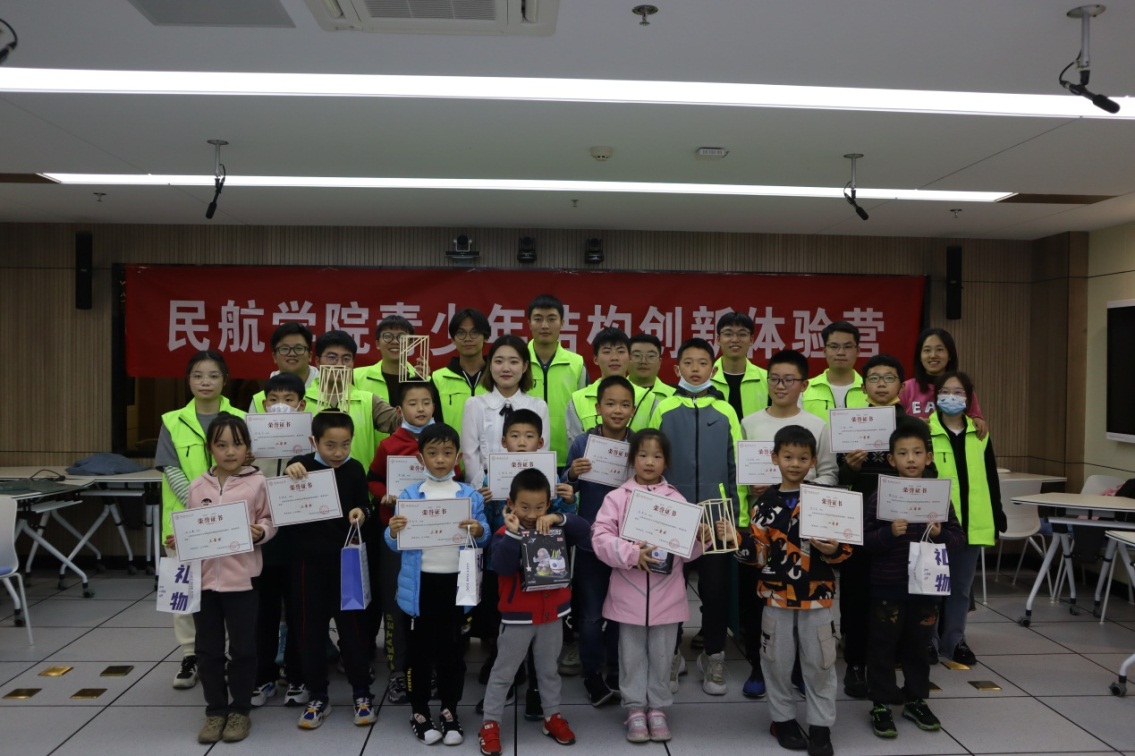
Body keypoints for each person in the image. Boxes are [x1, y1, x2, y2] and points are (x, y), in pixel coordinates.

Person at [723, 425, 848, 756]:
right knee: (776, 661)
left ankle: (821, 726)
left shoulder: (825, 500)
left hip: (817, 596)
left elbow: (845, 549)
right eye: (788, 457)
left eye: (803, 458)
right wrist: (735, 540)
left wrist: (834, 548)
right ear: (775, 458)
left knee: (821, 663)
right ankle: (783, 720)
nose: (795, 464)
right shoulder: (764, 503)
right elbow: (758, 554)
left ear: (813, 461)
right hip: (776, 596)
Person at [591, 429, 712, 743]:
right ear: (632, 459)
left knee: (661, 656)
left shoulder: (677, 500)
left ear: (666, 462)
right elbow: (600, 538)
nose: (649, 462)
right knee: (630, 656)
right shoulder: (617, 498)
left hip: (667, 596)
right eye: (643, 455)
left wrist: (702, 539)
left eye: (657, 456)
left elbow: (686, 552)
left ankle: (657, 708)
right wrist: (632, 554)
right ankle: (634, 708)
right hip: (627, 595)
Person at [167, 413, 275, 744]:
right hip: (204, 583)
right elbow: (191, 526)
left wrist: (261, 532)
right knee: (208, 650)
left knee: (243, 648)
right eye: (222, 445)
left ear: (248, 447)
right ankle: (215, 711)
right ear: (210, 448)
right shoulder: (198, 485)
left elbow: (270, 520)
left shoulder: (258, 483)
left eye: (237, 444)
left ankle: (240, 709)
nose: (230, 452)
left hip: (242, 581)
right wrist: (179, 539)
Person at [738, 349, 838, 698]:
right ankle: (758, 666)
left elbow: (829, 474)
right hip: (764, 529)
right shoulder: (750, 422)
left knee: (803, 605)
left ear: (804, 385)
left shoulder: (818, 425)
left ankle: (799, 670)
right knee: (760, 601)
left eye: (788, 380)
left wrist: (794, 487)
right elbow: (739, 474)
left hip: (805, 528)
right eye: (774, 379)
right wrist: (754, 488)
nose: (780, 386)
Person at [648, 338, 744, 697]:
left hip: (717, 516)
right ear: (676, 369)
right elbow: (651, 461)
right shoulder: (664, 408)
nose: (695, 369)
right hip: (672, 514)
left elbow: (736, 466)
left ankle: (713, 654)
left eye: (702, 363)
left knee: (715, 590)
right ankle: (672, 655)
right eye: (688, 363)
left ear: (713, 369)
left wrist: (735, 518)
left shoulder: (726, 411)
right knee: (670, 588)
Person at [385, 423, 489, 745]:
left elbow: (484, 533)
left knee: (452, 653)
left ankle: (449, 709)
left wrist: (478, 530)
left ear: (457, 457)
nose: (440, 460)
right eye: (432, 453)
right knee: (418, 653)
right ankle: (419, 711)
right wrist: (392, 531)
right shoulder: (410, 495)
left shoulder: (469, 495)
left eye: (447, 453)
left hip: (456, 587)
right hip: (420, 589)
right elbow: (394, 543)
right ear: (420, 458)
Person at [478, 467, 588, 756]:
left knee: (548, 671)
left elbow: (584, 531)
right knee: (504, 672)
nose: (531, 513)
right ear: (510, 504)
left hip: (552, 615)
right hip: (518, 617)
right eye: (524, 506)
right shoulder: (504, 534)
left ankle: (552, 716)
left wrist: (558, 518)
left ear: (548, 504)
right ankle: (490, 723)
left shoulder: (554, 528)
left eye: (539, 507)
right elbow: (502, 567)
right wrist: (514, 535)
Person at [864, 424, 964, 740]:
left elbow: (958, 540)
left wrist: (941, 534)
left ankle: (916, 699)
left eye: (917, 452)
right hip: (887, 586)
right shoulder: (881, 497)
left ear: (928, 458)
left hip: (926, 587)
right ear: (891, 459)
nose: (911, 459)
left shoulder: (939, 497)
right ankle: (881, 703)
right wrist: (888, 533)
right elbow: (864, 542)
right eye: (903, 453)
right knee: (882, 646)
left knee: (919, 646)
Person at [472, 408, 574, 719]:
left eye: (529, 436)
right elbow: (488, 526)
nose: (521, 442)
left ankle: (536, 693)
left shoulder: (550, 476)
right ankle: (507, 681)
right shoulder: (491, 475)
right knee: (503, 626)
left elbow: (562, 518)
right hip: (504, 565)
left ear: (540, 443)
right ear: (504, 442)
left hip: (542, 565)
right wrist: (483, 503)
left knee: (541, 636)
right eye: (514, 436)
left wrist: (569, 501)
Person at [156, 350, 245, 690]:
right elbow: (171, 469)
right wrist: (202, 505)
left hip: (231, 521)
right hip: (183, 524)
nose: (205, 382)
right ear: (188, 380)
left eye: (212, 375)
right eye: (197, 376)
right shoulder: (172, 421)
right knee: (184, 592)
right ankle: (190, 654)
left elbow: (249, 466)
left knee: (230, 591)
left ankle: (229, 654)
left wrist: (219, 506)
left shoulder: (242, 418)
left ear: (225, 380)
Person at [833, 353, 920, 699]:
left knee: (897, 595)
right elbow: (838, 477)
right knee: (855, 596)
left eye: (889, 378)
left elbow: (927, 473)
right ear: (863, 385)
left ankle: (889, 662)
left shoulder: (914, 427)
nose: (881, 384)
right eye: (874, 378)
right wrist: (850, 468)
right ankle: (855, 663)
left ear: (900, 384)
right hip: (857, 523)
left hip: (901, 525)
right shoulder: (850, 423)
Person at [283, 411, 374, 730]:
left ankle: (362, 693)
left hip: (345, 561)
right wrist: (291, 468)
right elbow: (284, 498)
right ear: (314, 442)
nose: (338, 452)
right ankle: (318, 696)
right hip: (306, 564)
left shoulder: (354, 468)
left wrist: (361, 512)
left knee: (354, 630)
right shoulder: (300, 467)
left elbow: (365, 504)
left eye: (345, 444)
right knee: (309, 631)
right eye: (330, 445)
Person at [367, 382, 448, 705]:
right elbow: (373, 479)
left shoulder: (444, 440)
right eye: (413, 403)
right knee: (396, 602)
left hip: (435, 533)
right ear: (400, 410)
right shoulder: (389, 444)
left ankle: (430, 666)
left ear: (433, 407)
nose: (421, 408)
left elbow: (455, 476)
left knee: (430, 601)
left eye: (426, 402)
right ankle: (399, 670)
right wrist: (383, 495)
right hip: (398, 535)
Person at [562, 375, 637, 706]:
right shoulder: (583, 443)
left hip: (627, 545)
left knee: (621, 612)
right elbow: (567, 491)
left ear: (633, 410)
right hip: (591, 542)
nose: (617, 410)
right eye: (610, 404)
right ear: (598, 407)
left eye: (624, 404)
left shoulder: (639, 445)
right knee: (591, 615)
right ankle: (591, 673)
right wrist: (572, 474)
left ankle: (617, 670)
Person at [928, 371, 1005, 667]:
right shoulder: (926, 431)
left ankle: (955, 640)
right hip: (936, 525)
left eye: (959, 392)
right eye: (945, 391)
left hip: (972, 524)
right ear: (936, 396)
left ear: (969, 398)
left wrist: (997, 515)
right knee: (933, 587)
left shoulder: (979, 433)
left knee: (960, 589)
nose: (952, 397)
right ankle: (929, 642)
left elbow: (991, 477)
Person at [250, 372, 308, 708]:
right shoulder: (251, 445)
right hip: (263, 539)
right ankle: (263, 677)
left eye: (288, 400)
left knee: (299, 610)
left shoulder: (311, 442)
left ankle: (298, 676)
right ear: (263, 404)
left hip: (298, 539)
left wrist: (302, 467)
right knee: (264, 612)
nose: (280, 406)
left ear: (301, 405)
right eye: (273, 400)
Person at [462, 334, 552, 496]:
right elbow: (470, 455)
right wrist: (479, 491)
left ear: (525, 366)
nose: (505, 368)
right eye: (498, 361)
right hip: (485, 492)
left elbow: (541, 453)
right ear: (490, 365)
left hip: (527, 492)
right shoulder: (475, 404)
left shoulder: (538, 406)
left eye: (513, 362)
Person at [304, 329, 399, 471]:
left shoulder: (368, 400)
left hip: (357, 481)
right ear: (317, 361)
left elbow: (403, 423)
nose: (339, 364)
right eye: (332, 357)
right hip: (312, 482)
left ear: (353, 363)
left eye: (346, 359)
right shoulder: (301, 401)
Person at [526, 294, 588, 468]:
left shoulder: (576, 363)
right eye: (538, 319)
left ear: (562, 323)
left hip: (567, 457)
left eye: (551, 319)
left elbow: (584, 410)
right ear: (529, 323)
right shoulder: (517, 360)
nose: (545, 325)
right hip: (523, 454)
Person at [565, 327, 653, 446]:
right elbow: (576, 446)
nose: (614, 358)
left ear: (630, 358)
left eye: (620, 351)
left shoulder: (649, 399)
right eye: (607, 352)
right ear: (595, 359)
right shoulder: (577, 400)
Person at [355, 315, 433, 443]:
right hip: (371, 452)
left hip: (412, 452)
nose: (395, 342)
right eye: (387, 336)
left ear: (411, 343)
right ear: (377, 344)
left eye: (401, 337)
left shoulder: (425, 380)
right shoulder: (356, 377)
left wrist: (421, 383)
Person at [898, 328, 987, 437]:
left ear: (950, 355)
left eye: (939, 349)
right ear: (919, 356)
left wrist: (977, 419)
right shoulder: (906, 388)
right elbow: (895, 422)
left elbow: (973, 416)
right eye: (927, 350)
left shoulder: (962, 387)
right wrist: (913, 424)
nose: (933, 355)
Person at [432, 307, 490, 431]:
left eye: (474, 332)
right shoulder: (438, 379)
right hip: (451, 444)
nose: (467, 338)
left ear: (485, 337)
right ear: (453, 339)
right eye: (461, 333)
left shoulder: (497, 375)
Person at [801, 321, 869, 421]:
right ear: (825, 351)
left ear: (858, 351)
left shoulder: (870, 389)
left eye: (848, 347)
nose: (841, 352)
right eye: (834, 347)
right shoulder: (804, 389)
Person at [710, 310, 770, 422]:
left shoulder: (768, 379)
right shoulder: (704, 378)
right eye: (728, 334)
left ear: (751, 340)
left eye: (742, 334)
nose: (735, 340)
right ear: (718, 339)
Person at [250, 322, 317, 411]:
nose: (292, 354)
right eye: (284, 349)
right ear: (274, 356)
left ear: (310, 356)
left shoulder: (328, 393)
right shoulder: (259, 400)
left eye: (299, 348)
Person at [628, 333, 676, 405]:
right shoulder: (612, 392)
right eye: (637, 355)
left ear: (659, 362)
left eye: (651, 356)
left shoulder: (675, 396)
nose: (643, 361)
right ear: (627, 359)